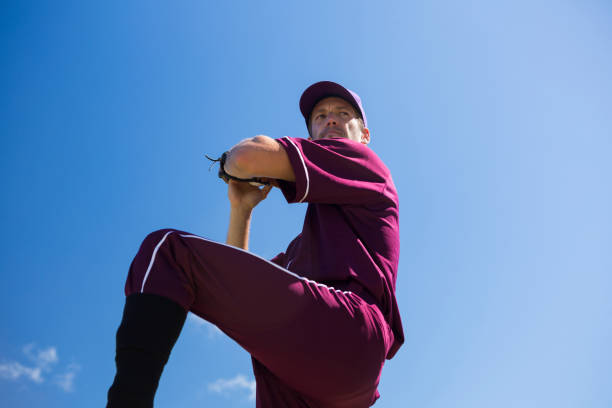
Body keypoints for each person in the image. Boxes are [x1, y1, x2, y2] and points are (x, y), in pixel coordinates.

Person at [107, 81, 404, 408]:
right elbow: (233, 294)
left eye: (343, 113)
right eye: (320, 116)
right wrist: (242, 210)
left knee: (167, 251)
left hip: (348, 329)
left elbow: (246, 159)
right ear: (310, 135)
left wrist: (236, 161)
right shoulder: (300, 253)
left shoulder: (366, 166)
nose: (330, 119)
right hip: (327, 378)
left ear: (364, 136)